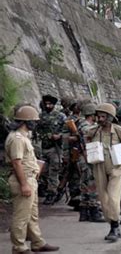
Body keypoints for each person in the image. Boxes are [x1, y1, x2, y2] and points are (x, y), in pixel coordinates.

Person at [5, 105, 60, 253]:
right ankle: (19, 247)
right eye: (33, 121)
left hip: (30, 179)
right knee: (21, 216)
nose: (35, 124)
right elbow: (17, 163)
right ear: (25, 122)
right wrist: (24, 184)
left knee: (32, 215)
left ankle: (37, 242)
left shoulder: (23, 137)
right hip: (23, 179)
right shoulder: (17, 139)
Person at [85, 103, 121, 242]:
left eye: (103, 116)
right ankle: (112, 225)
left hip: (116, 166)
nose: (100, 119)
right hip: (99, 166)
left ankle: (115, 226)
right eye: (99, 116)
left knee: (113, 198)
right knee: (103, 198)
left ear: (110, 117)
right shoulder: (93, 131)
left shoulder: (120, 131)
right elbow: (87, 142)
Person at [77, 103, 105, 222]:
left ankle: (84, 212)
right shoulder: (87, 127)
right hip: (89, 157)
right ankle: (94, 211)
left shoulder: (82, 125)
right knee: (92, 184)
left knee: (85, 185)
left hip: (85, 157)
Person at [36, 94, 66, 205]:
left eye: (50, 104)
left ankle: (51, 193)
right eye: (46, 104)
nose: (48, 106)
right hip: (43, 147)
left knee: (54, 171)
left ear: (54, 105)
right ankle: (49, 189)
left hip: (55, 148)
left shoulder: (61, 116)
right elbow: (36, 131)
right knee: (43, 171)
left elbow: (67, 131)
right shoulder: (40, 116)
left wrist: (60, 136)